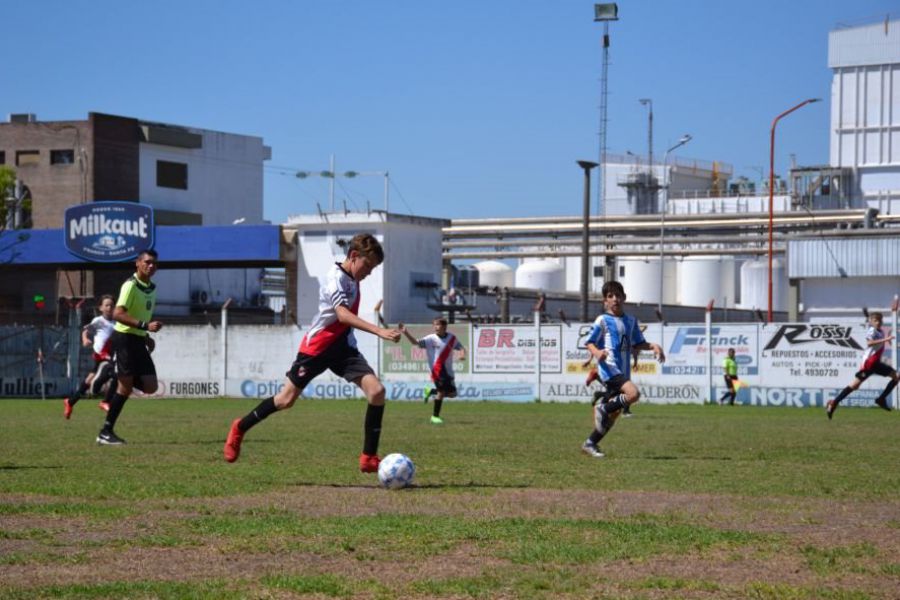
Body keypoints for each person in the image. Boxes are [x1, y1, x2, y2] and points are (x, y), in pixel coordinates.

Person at [223, 233, 401, 472]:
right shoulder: (335, 278)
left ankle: (368, 457)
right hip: (318, 347)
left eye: (373, 268)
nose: (368, 272)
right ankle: (239, 427)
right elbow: (342, 315)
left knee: (377, 391)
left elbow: (345, 321)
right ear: (354, 255)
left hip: (344, 348)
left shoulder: (354, 279)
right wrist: (378, 330)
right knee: (285, 400)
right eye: (367, 266)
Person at [581, 280, 665, 458]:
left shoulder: (631, 321)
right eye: (610, 296)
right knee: (633, 394)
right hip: (609, 369)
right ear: (605, 301)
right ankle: (602, 408)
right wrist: (597, 352)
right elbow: (588, 342)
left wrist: (654, 346)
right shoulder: (602, 320)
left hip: (623, 371)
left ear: (624, 298)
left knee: (612, 417)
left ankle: (590, 443)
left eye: (618, 295)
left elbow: (639, 343)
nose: (615, 299)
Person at [96, 249, 163, 445]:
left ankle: (119, 374)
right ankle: (105, 432)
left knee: (151, 386)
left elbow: (141, 316)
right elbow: (117, 313)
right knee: (125, 388)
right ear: (138, 263)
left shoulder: (152, 288)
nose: (151, 266)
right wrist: (144, 326)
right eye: (147, 262)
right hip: (124, 339)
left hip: (138, 340)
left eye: (154, 263)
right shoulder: (130, 285)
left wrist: (145, 335)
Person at [826, 311, 897, 419]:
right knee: (854, 386)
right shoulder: (872, 330)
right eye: (875, 320)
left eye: (880, 320)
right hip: (869, 364)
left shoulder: (881, 331)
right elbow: (869, 343)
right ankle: (834, 403)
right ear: (871, 321)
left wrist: (885, 340)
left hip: (876, 363)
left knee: (896, 376)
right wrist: (886, 339)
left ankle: (881, 399)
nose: (878, 322)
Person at [399, 317, 466, 424]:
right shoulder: (431, 338)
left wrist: (462, 354)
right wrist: (406, 333)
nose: (435, 327)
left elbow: (461, 347)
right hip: (437, 369)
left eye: (438, 325)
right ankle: (435, 417)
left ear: (444, 326)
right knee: (441, 391)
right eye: (434, 325)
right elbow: (415, 342)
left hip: (448, 370)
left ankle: (430, 391)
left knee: (453, 394)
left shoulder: (452, 338)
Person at [64, 295, 116, 419]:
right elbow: (85, 331)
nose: (109, 307)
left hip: (109, 354)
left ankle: (70, 402)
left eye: (112, 305)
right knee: (116, 372)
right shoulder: (98, 321)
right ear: (101, 308)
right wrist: (85, 339)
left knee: (88, 381)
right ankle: (105, 401)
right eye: (107, 305)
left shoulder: (116, 321)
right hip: (101, 354)